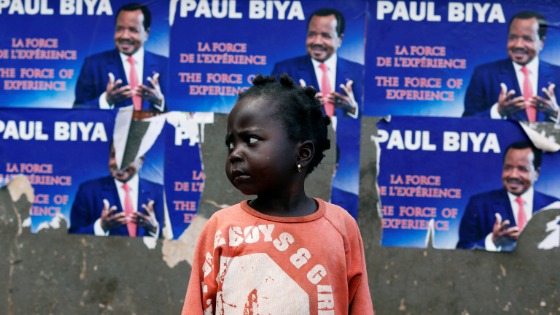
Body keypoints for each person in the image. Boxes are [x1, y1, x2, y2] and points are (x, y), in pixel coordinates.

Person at [183, 75, 373, 314]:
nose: (234, 154)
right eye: (231, 144)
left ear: (302, 153)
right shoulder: (222, 228)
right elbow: (197, 307)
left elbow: (359, 306)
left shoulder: (340, 226)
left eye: (251, 140)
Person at [271, 8, 363, 218]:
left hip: (345, 168)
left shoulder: (359, 74)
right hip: (299, 170)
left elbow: (375, 129)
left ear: (340, 39)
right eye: (312, 34)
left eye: (325, 35)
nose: (317, 41)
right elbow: (271, 120)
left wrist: (353, 111)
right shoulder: (284, 70)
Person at [457, 141, 559, 251]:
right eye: (508, 167)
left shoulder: (554, 207)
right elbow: (462, 251)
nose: (513, 175)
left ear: (536, 173)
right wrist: (492, 241)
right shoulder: (479, 205)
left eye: (522, 169)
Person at [462, 10, 560, 122]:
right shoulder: (484, 75)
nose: (518, 44)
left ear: (541, 42)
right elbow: (467, 123)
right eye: (513, 37)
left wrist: (556, 113)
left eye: (527, 39)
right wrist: (498, 111)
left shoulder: (558, 75)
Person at [73, 3, 168, 112]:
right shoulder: (93, 65)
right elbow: (78, 111)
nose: (124, 36)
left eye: (133, 30)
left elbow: (183, 112)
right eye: (120, 29)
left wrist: (159, 101)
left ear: (146, 33)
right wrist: (106, 101)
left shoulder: (165, 65)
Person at [68, 145, 165, 237]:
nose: (119, 163)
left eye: (127, 157)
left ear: (141, 161)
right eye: (114, 155)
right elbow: (74, 236)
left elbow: (172, 240)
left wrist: (154, 229)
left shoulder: (159, 193)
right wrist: (101, 227)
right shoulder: (88, 191)